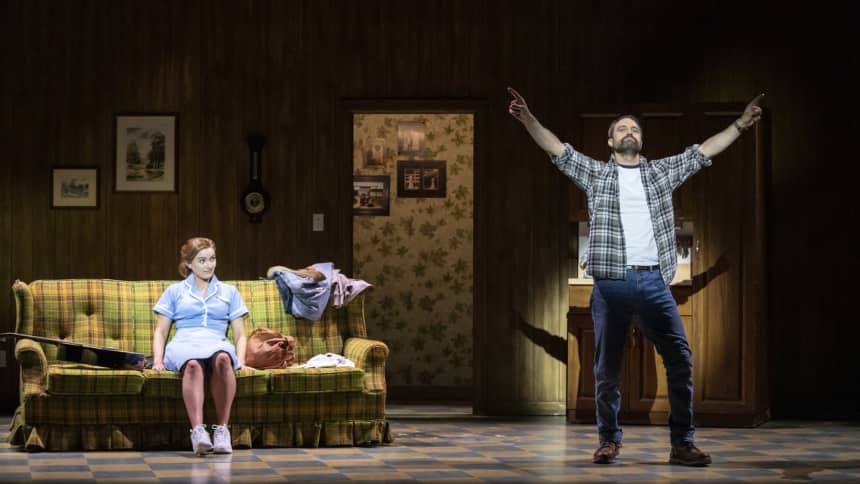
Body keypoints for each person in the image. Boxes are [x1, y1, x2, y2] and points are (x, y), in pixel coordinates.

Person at [508, 87, 763, 466]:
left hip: (654, 283)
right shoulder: (596, 174)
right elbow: (557, 150)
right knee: (607, 368)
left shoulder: (660, 173)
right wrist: (528, 119)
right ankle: (609, 440)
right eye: (622, 129)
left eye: (635, 129)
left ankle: (681, 444)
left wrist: (741, 125)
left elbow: (704, 151)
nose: (629, 132)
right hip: (611, 282)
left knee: (680, 358)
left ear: (640, 141)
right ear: (610, 141)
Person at [151, 237, 250, 456]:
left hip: (216, 340)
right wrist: (157, 360)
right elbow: (161, 331)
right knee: (193, 365)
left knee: (224, 359)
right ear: (188, 264)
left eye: (212, 259)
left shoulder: (229, 292)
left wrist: (240, 361)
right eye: (202, 260)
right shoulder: (175, 291)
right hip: (185, 341)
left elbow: (240, 333)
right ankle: (198, 431)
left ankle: (222, 430)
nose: (209, 265)